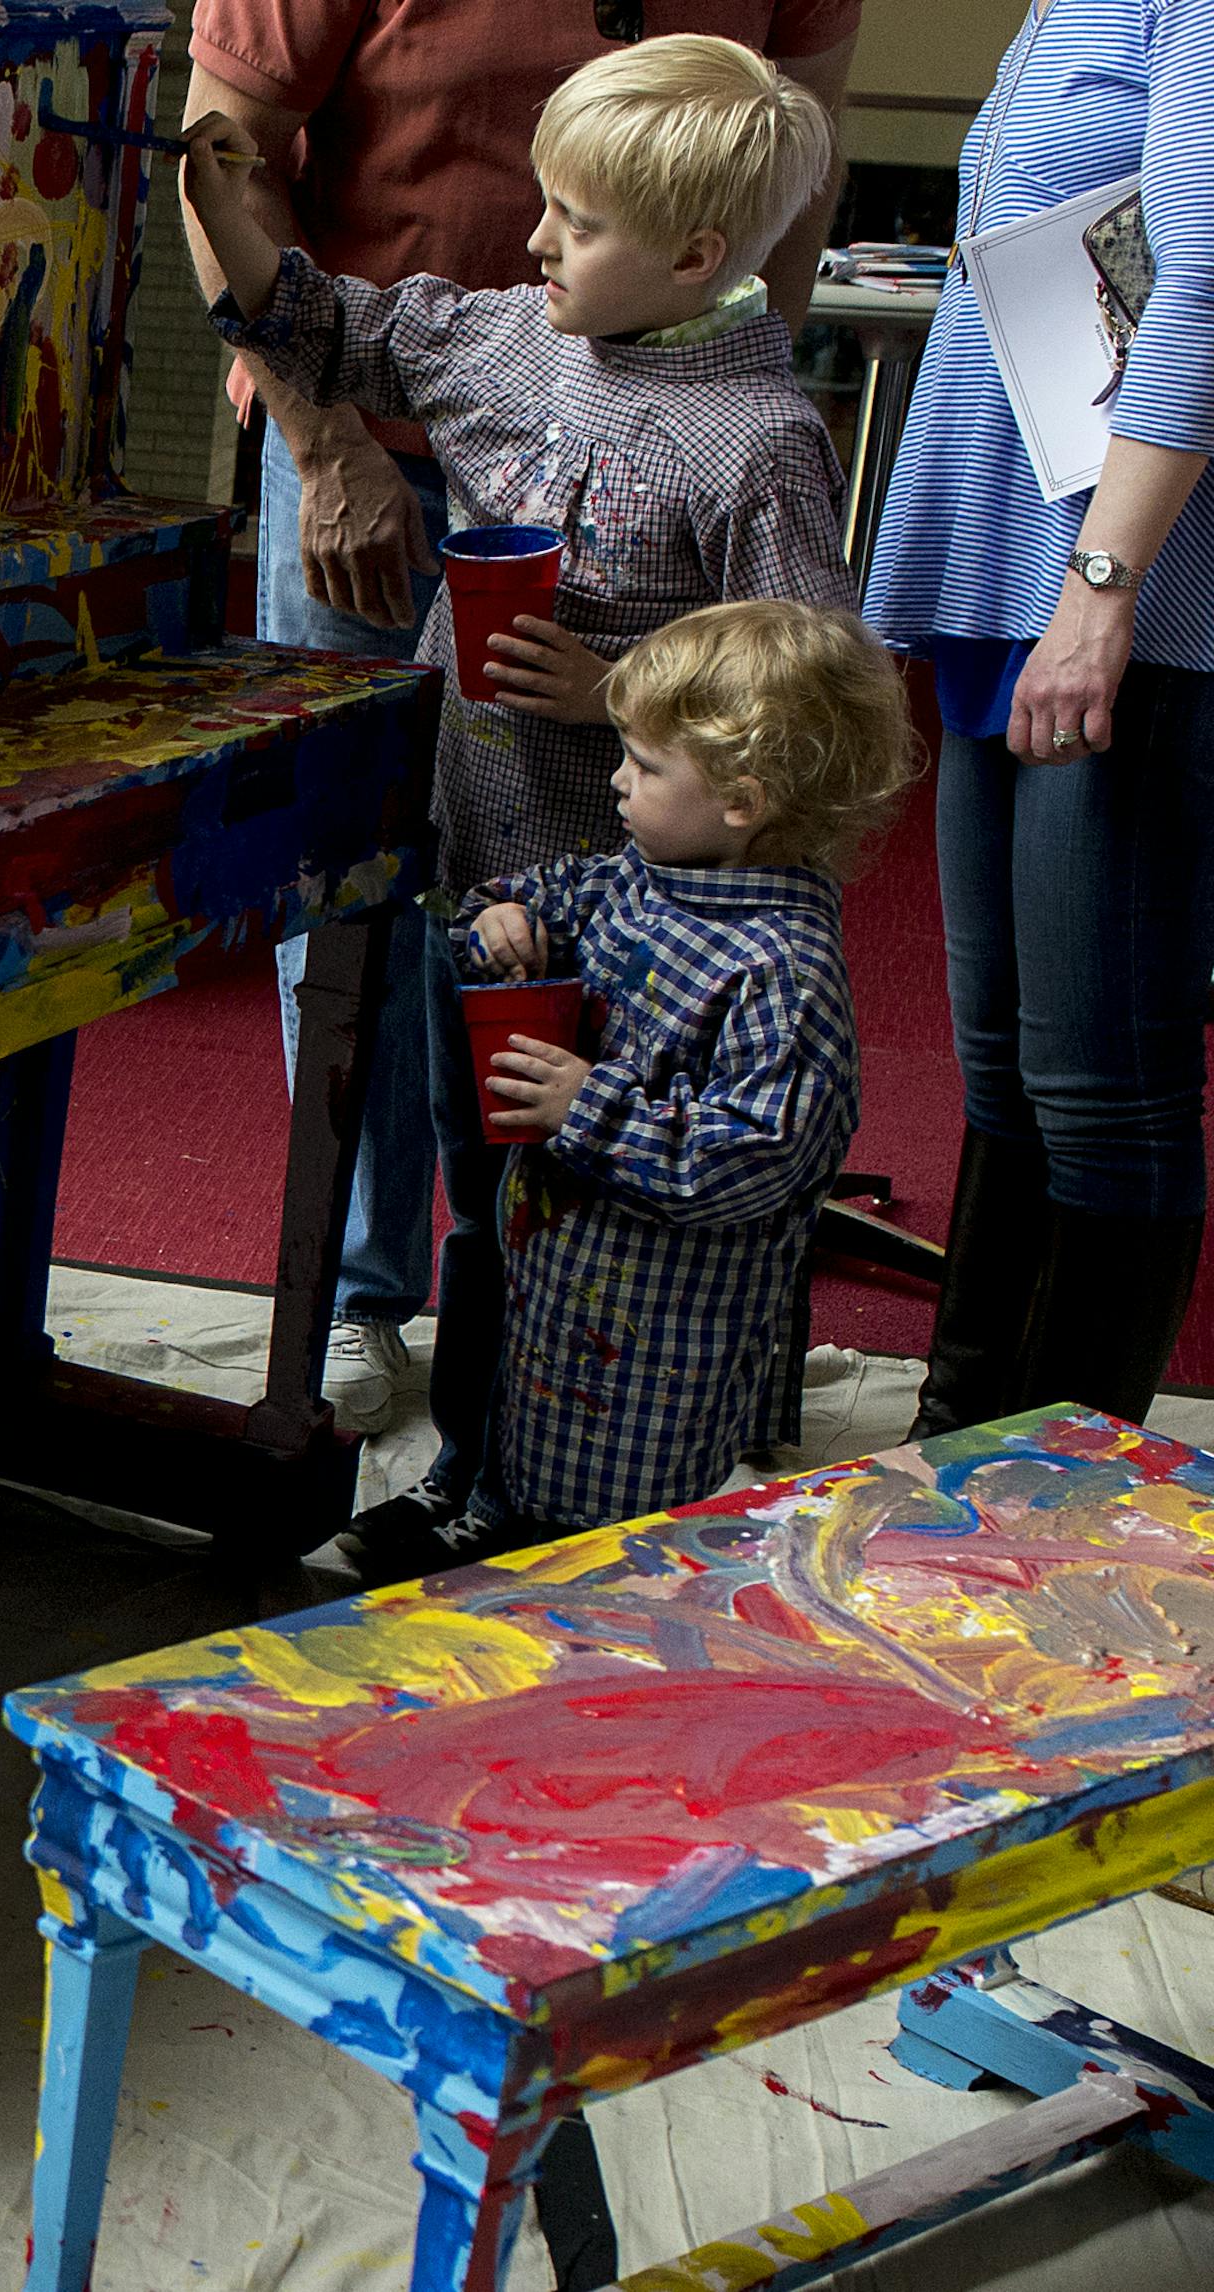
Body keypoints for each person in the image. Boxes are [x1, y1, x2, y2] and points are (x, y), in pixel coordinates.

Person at [180, 32, 859, 1566]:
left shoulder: (758, 445)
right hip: (485, 890)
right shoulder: (503, 337)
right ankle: (474, 1487)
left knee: (615, 1229)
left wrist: (614, 684)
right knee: (493, 1205)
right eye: (542, 203)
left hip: (663, 929)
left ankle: (616, 1506)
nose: (533, 239)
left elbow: (809, 697)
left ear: (696, 254)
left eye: (578, 222)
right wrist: (225, 203)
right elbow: (325, 324)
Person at [865, 0, 1214, 1437]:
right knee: (1007, 1062)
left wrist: (1102, 592)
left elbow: (1199, 284)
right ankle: (955, 1455)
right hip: (1018, 578)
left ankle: (1062, 1517)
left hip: (1116, 600)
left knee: (1104, 1084)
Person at [426, 602, 914, 1563]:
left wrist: (586, 1108)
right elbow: (512, 898)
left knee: (614, 1553)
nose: (615, 779)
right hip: (555, 1282)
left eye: (645, 766)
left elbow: (750, 1161)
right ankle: (490, 1519)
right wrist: (500, 921)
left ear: (743, 797)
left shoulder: (785, 971)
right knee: (519, 1460)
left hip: (658, 1350)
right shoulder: (640, 876)